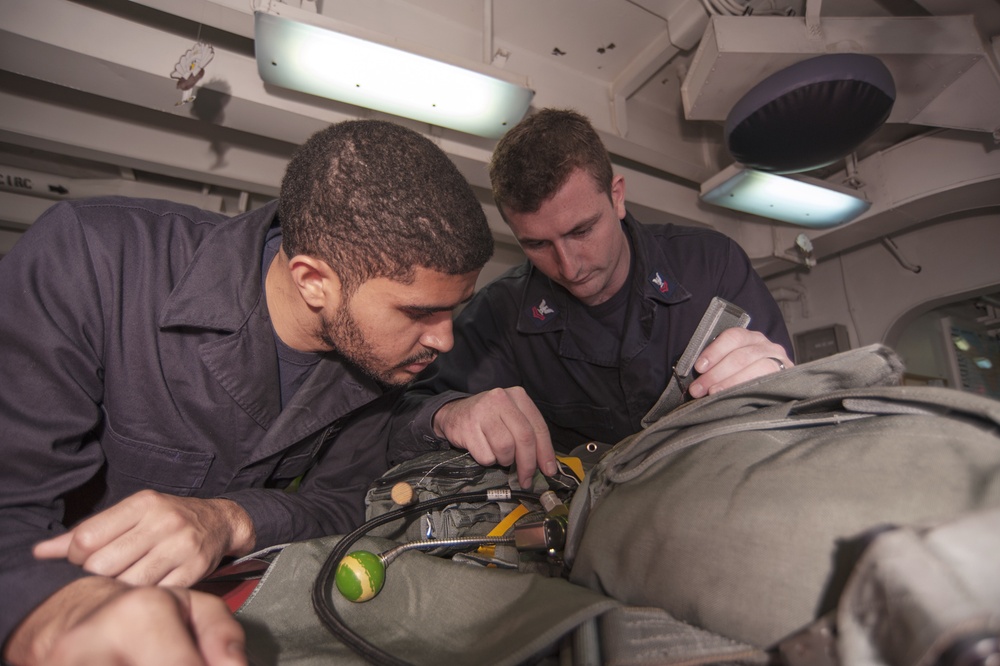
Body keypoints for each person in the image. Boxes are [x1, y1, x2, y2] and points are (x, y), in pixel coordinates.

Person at [0, 119, 494, 665]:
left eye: (456, 308)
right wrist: (57, 613)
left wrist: (230, 519)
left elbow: (339, 504)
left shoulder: (378, 359)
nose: (445, 339)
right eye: (419, 312)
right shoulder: (93, 258)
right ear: (312, 280)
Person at [393, 108, 795, 487]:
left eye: (581, 231)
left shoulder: (711, 266)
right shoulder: (499, 315)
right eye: (536, 244)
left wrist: (781, 382)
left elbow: (798, 410)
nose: (568, 268)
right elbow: (400, 416)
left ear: (617, 196)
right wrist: (446, 415)